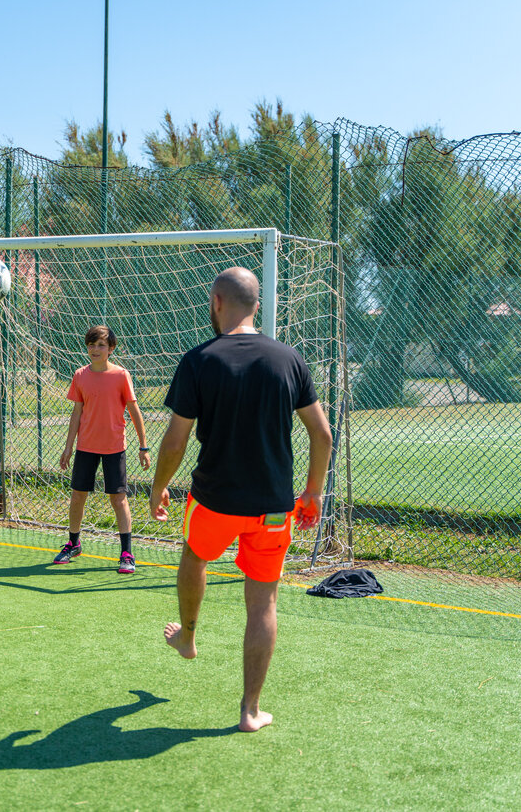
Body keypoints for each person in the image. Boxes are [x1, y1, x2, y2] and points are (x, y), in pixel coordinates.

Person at [150, 267, 332, 732]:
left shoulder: (199, 360)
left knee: (194, 556)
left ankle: (188, 637)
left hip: (214, 501)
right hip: (273, 506)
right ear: (256, 305)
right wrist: (312, 493)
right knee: (262, 604)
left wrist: (157, 485)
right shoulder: (289, 359)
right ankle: (250, 712)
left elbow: (174, 442)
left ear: (216, 302)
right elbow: (323, 435)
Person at [54, 325, 150, 574]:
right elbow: (76, 414)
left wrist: (143, 446)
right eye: (92, 344)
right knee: (78, 496)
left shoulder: (121, 375)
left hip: (114, 447)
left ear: (111, 349)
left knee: (118, 499)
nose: (95, 349)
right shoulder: (80, 375)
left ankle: (126, 552)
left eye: (101, 345)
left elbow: (134, 411)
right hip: (86, 447)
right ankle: (73, 543)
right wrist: (68, 448)